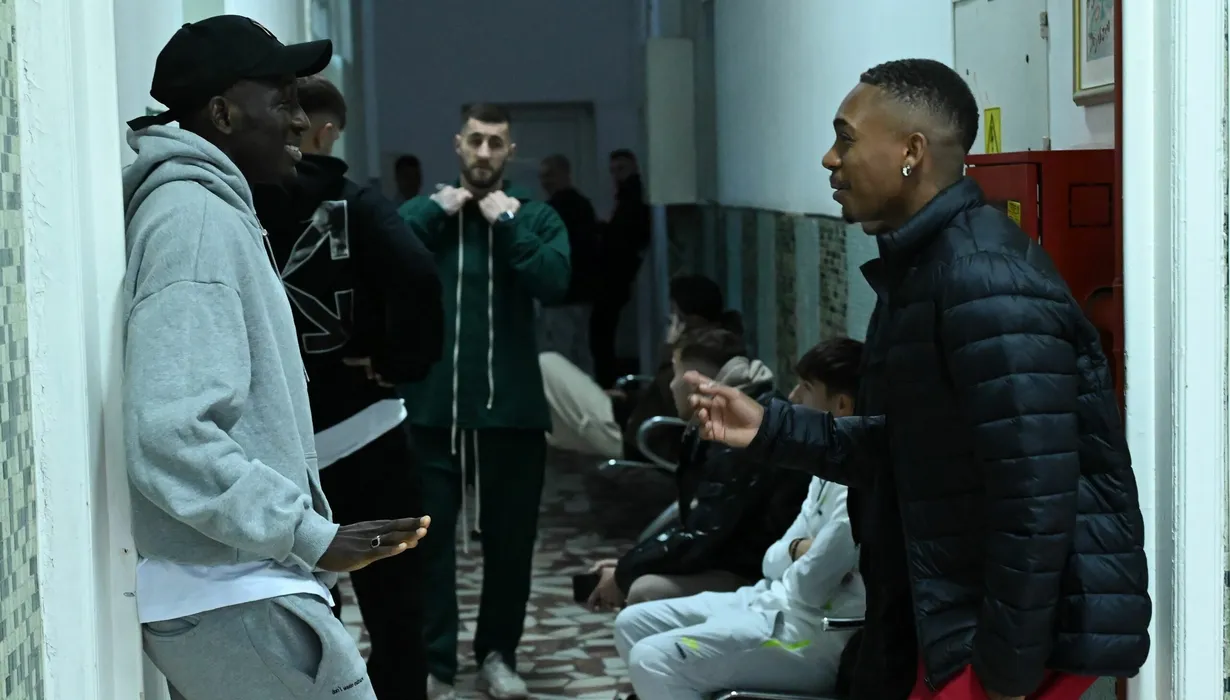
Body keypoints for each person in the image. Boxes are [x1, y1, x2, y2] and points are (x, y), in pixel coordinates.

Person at [683, 58, 1150, 700]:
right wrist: (770, 428)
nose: (829, 159)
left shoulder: (984, 279)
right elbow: (907, 450)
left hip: (1003, 641)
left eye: (846, 139)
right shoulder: (926, 267)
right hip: (953, 616)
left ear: (912, 151)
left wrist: (1004, 676)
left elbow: (1035, 499)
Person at [120, 16, 429, 700]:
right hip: (236, 597)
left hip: (239, 588)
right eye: (284, 100)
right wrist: (307, 533)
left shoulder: (212, 211)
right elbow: (170, 433)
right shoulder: (195, 223)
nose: (300, 121)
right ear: (223, 114)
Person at [251, 74, 444, 700]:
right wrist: (399, 361)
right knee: (395, 607)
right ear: (327, 130)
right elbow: (417, 273)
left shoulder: (240, 199)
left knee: (303, 608)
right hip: (367, 431)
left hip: (280, 437)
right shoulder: (358, 204)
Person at [397, 102, 571, 700]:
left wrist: (509, 225)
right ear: (458, 144)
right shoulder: (428, 215)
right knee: (429, 543)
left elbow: (555, 280)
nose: (484, 153)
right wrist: (433, 211)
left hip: (512, 413)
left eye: (496, 143)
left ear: (510, 152)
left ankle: (498, 654)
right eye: (476, 140)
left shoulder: (536, 215)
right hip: (433, 411)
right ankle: (436, 664)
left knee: (511, 544)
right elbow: (387, 260)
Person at [614, 337, 867, 700]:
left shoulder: (859, 486)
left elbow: (809, 590)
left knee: (653, 659)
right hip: (770, 600)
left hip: (811, 637)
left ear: (841, 405)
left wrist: (793, 557)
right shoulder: (825, 468)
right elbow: (772, 560)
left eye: (806, 388)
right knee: (632, 623)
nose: (792, 397)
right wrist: (797, 549)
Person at [587, 327, 809, 608]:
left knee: (645, 590)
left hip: (759, 572)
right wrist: (629, 564)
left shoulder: (737, 433)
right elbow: (700, 525)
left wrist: (625, 573)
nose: (671, 385)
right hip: (738, 557)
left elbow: (704, 535)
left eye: (676, 372)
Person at [540, 273, 741, 462]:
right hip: (632, 423)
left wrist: (673, 349)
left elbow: (675, 406)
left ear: (690, 321)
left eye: (673, 316)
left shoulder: (697, 358)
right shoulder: (710, 347)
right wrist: (628, 397)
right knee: (551, 412)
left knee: (547, 365)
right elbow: (663, 398)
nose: (669, 323)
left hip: (632, 437)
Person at [590, 148, 652, 387]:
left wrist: (604, 233)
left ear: (634, 168)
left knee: (602, 335)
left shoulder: (632, 198)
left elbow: (625, 238)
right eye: (613, 170)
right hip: (618, 276)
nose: (617, 175)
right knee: (605, 334)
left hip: (615, 277)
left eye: (621, 169)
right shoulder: (628, 196)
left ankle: (609, 385)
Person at [537, 153, 600, 373]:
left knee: (559, 354)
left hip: (560, 294)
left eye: (549, 175)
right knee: (581, 351)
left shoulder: (551, 211)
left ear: (565, 173)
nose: (545, 181)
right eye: (542, 176)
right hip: (584, 291)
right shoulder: (584, 206)